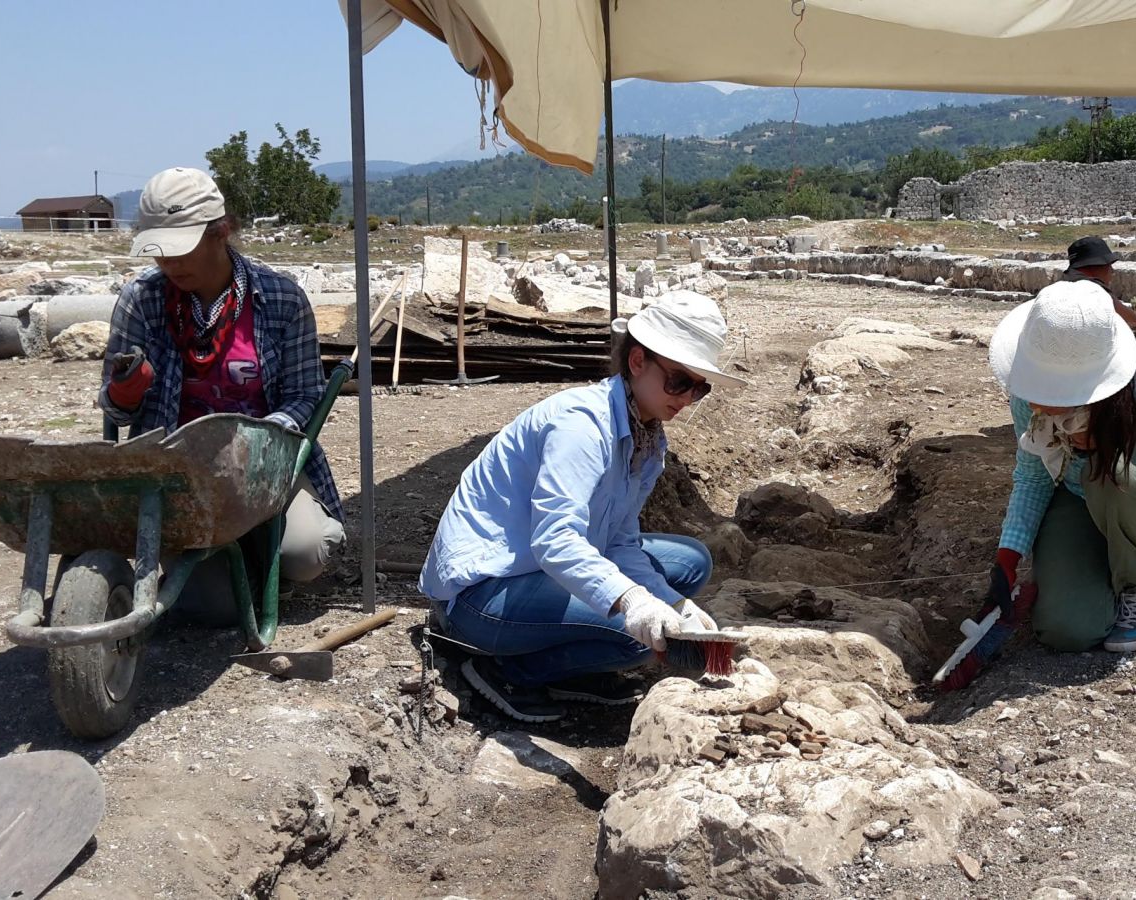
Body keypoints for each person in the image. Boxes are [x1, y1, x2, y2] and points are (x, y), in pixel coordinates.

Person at [419, 292, 745, 723]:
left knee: (689, 565)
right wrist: (634, 601)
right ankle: (508, 670)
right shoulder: (581, 426)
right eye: (679, 382)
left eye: (699, 388)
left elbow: (620, 542)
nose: (686, 399)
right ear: (637, 362)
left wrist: (671, 602)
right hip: (483, 593)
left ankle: (575, 667)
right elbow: (554, 540)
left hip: (538, 570)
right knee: (638, 634)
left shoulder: (646, 438)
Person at [99, 168, 345, 620]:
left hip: (265, 469)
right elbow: (114, 411)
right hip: (174, 474)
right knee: (214, 608)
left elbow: (305, 396)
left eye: (180, 248)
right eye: (159, 251)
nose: (168, 264)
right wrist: (125, 390)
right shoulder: (143, 300)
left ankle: (260, 545)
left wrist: (266, 435)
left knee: (306, 554)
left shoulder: (281, 299)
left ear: (221, 231)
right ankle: (231, 560)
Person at [988, 281, 1136, 654]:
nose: (1041, 406)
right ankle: (1108, 569)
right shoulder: (1028, 385)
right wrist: (1009, 555)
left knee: (1113, 470)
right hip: (1084, 498)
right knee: (1066, 629)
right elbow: (1033, 475)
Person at [1064, 235, 1136, 326]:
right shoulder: (1094, 289)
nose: (1112, 271)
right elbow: (1132, 319)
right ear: (1096, 266)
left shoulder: (1062, 282)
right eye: (1108, 265)